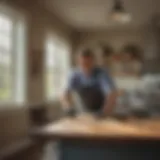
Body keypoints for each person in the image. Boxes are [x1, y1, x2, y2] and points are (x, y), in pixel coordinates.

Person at [61, 49, 117, 117]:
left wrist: (105, 112)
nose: (86, 67)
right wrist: (68, 107)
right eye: (83, 64)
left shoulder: (102, 73)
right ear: (78, 62)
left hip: (102, 111)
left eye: (89, 63)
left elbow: (111, 94)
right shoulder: (73, 74)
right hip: (82, 112)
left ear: (94, 62)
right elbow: (65, 93)